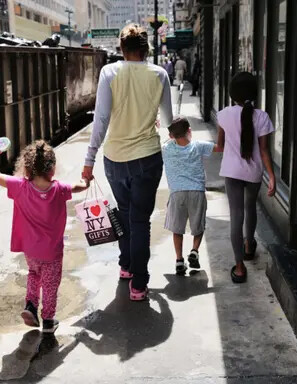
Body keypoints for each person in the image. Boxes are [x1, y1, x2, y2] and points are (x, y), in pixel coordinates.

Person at [82, 23, 173, 301]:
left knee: (124, 213)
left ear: (121, 49)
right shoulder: (159, 74)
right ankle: (139, 284)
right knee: (140, 220)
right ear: (146, 48)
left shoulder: (109, 72)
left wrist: (89, 159)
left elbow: (101, 119)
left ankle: (125, 267)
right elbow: (169, 120)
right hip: (147, 157)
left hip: (115, 158)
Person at [0, 140, 89, 333]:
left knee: (34, 274)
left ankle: (31, 306)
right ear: (53, 168)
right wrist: (85, 181)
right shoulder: (60, 189)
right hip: (52, 252)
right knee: (51, 284)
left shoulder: (20, 187)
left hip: (30, 250)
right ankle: (48, 320)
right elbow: (78, 186)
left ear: (27, 168)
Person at [216, 72, 276, 284]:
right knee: (250, 208)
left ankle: (239, 268)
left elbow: (220, 145)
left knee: (236, 215)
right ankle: (249, 246)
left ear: (232, 94)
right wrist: (272, 177)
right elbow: (265, 150)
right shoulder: (262, 117)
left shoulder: (223, 115)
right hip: (254, 173)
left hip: (232, 172)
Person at [162, 117, 222, 275]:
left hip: (177, 194)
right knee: (198, 225)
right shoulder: (198, 145)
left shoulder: (166, 149)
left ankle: (179, 260)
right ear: (189, 131)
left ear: (171, 136)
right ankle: (194, 250)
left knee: (177, 228)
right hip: (197, 192)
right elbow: (220, 148)